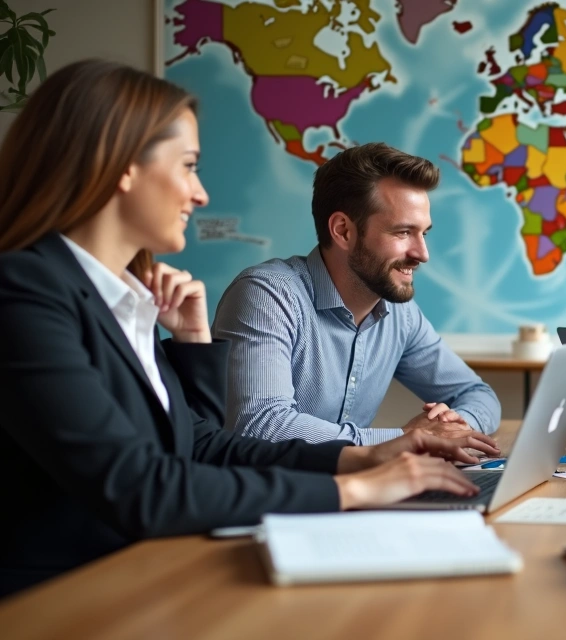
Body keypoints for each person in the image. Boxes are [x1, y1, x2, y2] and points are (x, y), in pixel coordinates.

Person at [0, 60, 498, 596]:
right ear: (122, 166)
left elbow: (201, 447)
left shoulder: (116, 296)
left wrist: (366, 456)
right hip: (61, 597)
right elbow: (141, 485)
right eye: (188, 166)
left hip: (144, 571)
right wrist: (353, 489)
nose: (200, 194)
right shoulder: (23, 293)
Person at [212, 143, 501, 445]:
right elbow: (261, 426)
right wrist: (408, 439)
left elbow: (477, 394)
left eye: (423, 233)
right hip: (267, 489)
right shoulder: (267, 296)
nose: (422, 254)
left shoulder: (399, 314)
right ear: (343, 231)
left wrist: (455, 425)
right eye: (403, 232)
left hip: (356, 488)